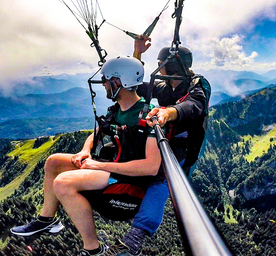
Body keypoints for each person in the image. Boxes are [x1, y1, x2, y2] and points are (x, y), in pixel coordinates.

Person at [10, 56, 162, 256]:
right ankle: (47, 220)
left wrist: (99, 166)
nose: (104, 86)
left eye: (107, 81)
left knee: (63, 182)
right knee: (53, 162)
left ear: (118, 83)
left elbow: (151, 167)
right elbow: (99, 132)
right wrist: (85, 151)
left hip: (129, 183)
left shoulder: (148, 116)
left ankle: (93, 249)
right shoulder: (119, 109)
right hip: (112, 168)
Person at [104, 37, 210, 256]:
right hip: (159, 141)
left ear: (169, 66)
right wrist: (137, 53)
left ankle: (133, 241)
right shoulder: (164, 87)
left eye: (162, 66)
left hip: (181, 146)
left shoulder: (197, 86)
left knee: (162, 180)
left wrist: (167, 113)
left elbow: (192, 106)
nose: (160, 70)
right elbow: (130, 85)